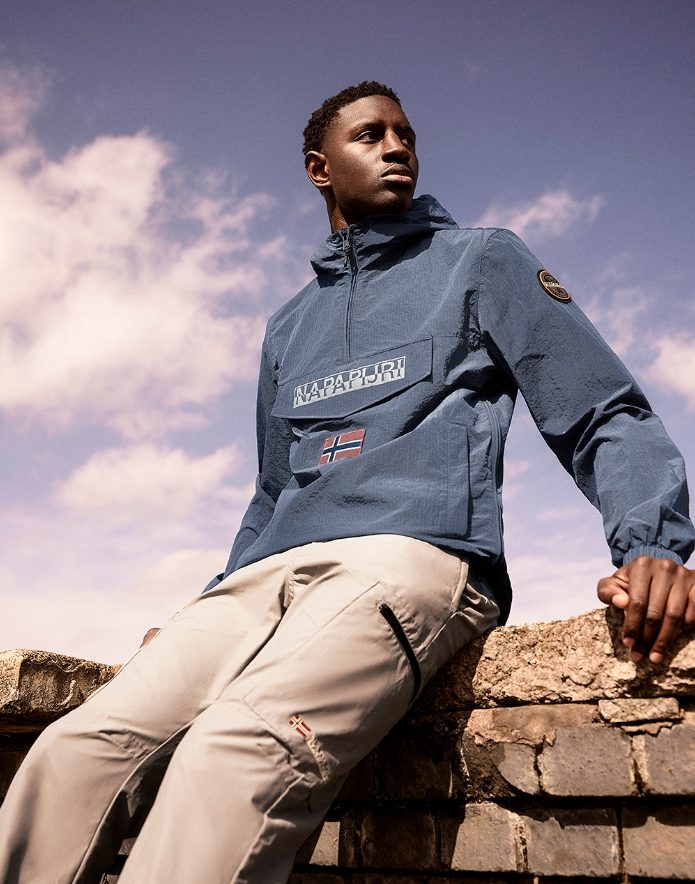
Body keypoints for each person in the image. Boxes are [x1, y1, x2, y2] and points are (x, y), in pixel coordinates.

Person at [1, 81, 693, 884]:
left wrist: (650, 543)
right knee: (73, 752)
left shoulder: (480, 260)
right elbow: (271, 491)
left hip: (407, 556)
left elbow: (600, 408)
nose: (397, 147)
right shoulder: (288, 326)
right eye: (370, 134)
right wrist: (208, 601)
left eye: (405, 135)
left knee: (236, 751)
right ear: (318, 168)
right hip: (263, 579)